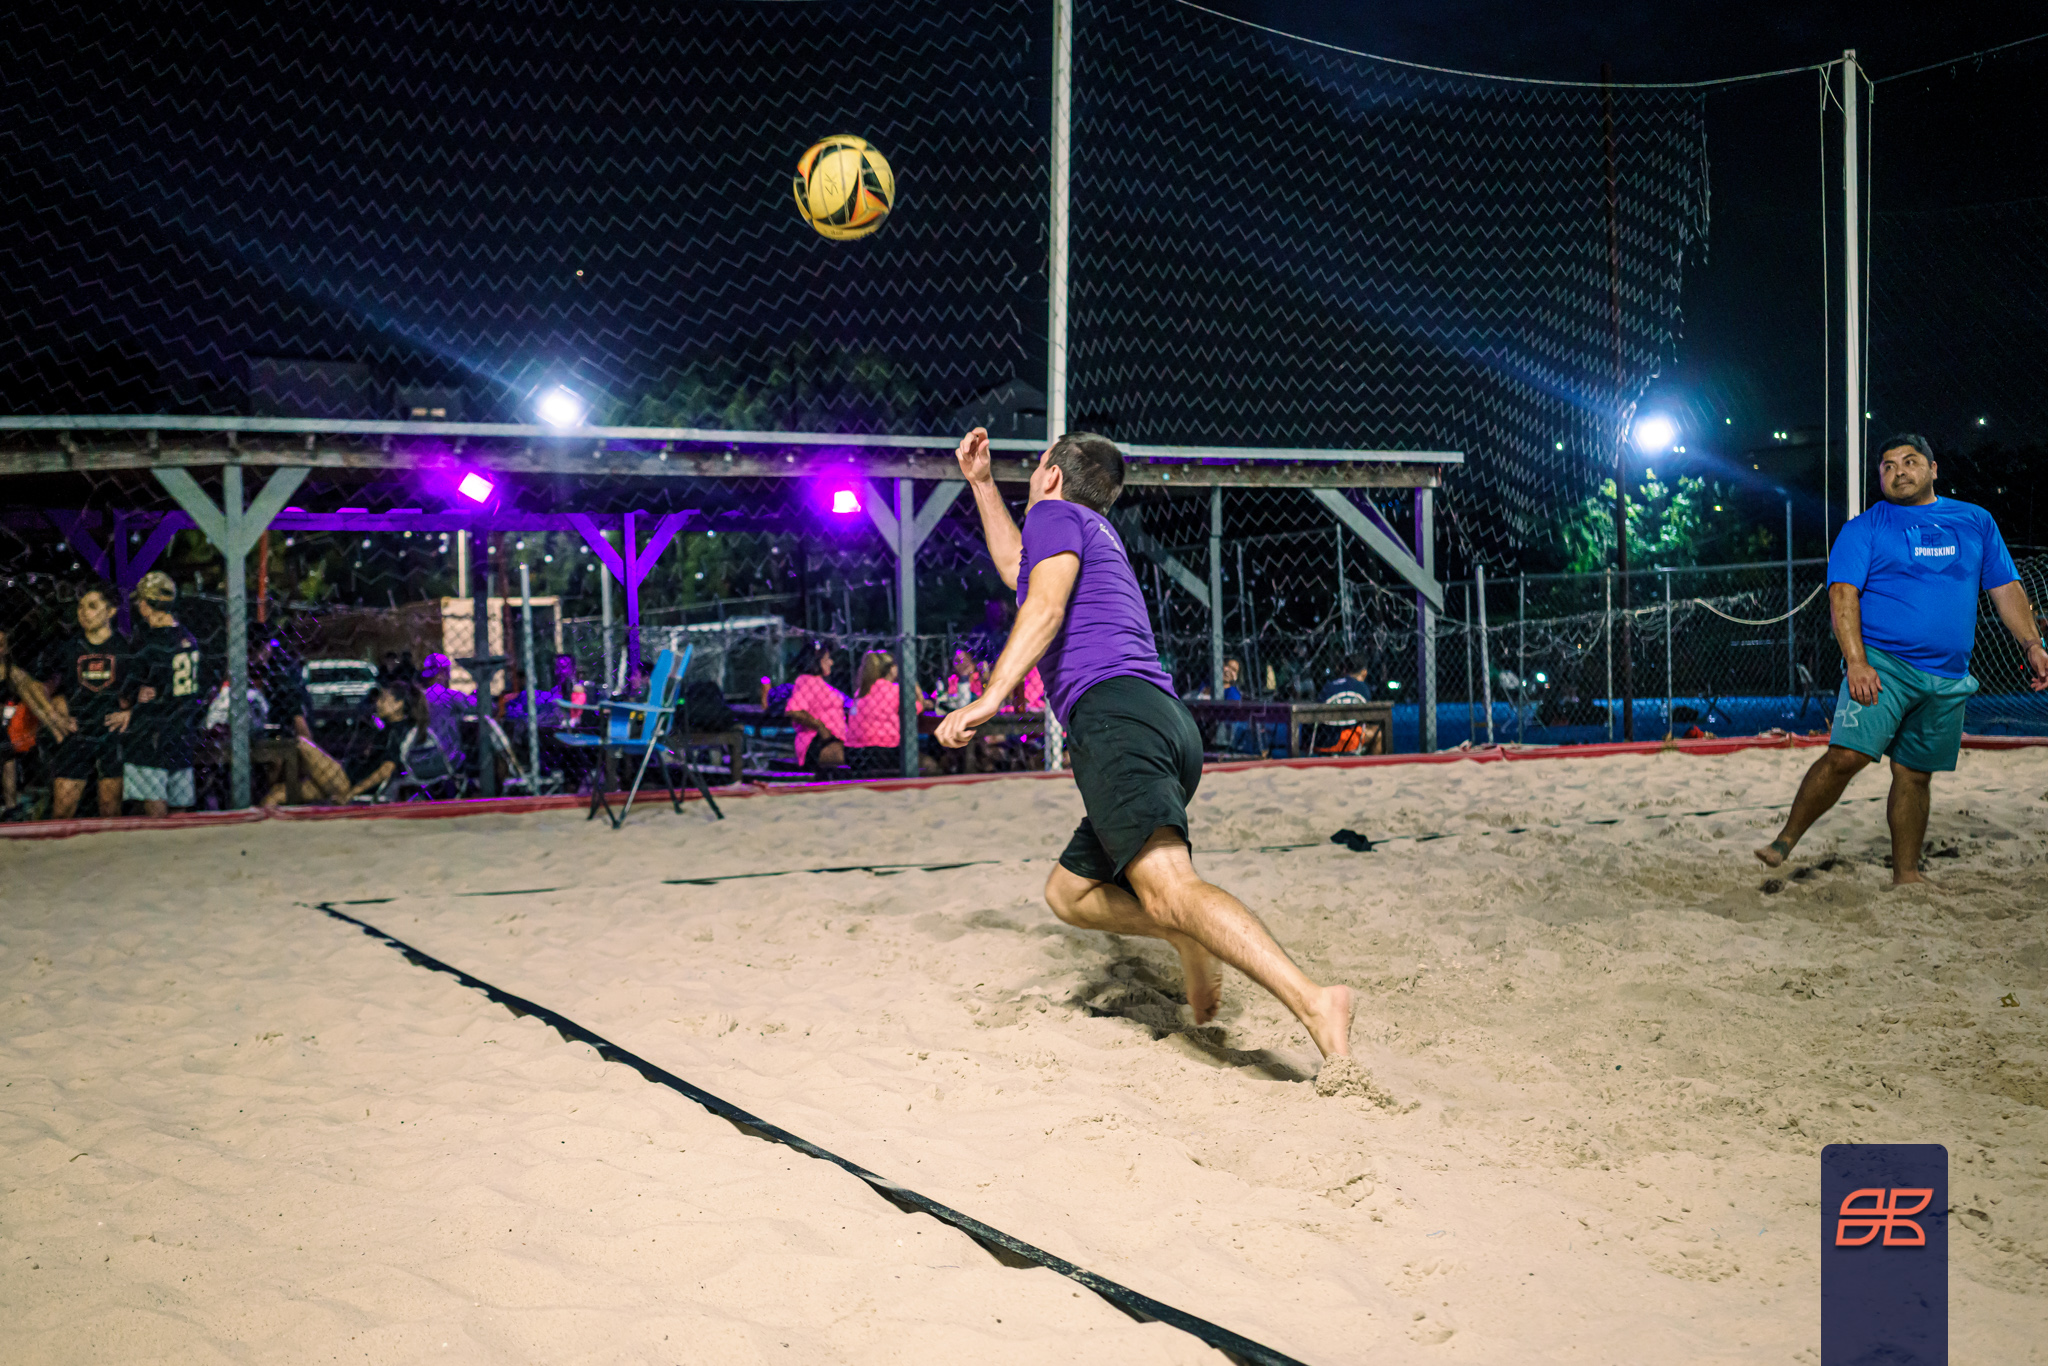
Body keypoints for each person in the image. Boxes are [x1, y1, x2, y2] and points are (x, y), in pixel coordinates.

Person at [939, 427, 1354, 1062]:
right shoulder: (1089, 528)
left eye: (1035, 468)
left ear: (1052, 476)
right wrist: (983, 484)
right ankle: (1186, 937)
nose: (1031, 480)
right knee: (1070, 894)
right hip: (1164, 721)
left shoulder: (1052, 515)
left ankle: (1315, 1000)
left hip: (1116, 719)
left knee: (1172, 889)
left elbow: (1043, 607)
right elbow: (1018, 570)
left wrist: (991, 696)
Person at [1756, 434, 2048, 885]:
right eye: (1888, 466)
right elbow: (1842, 595)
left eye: (1910, 462)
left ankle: (1906, 874)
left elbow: (2005, 588)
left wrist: (2032, 644)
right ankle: (1785, 840)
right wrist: (1857, 662)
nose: (1899, 472)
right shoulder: (1864, 528)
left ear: (1933, 469)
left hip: (1948, 676)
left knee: (1914, 774)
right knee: (1846, 756)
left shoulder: (1975, 521)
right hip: (1883, 665)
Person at [43, 585, 138, 820]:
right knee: (62, 809)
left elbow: (142, 691)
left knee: (110, 809)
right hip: (76, 732)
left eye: (93, 606)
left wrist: (130, 713)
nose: (84, 612)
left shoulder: (126, 650)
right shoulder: (69, 648)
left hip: (111, 733)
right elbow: (50, 688)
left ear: (111, 611)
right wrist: (59, 710)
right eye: (81, 607)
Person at [259, 681, 427, 805]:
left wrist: (351, 794)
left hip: (346, 782)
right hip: (343, 775)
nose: (377, 703)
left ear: (398, 705)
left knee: (301, 743)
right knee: (277, 794)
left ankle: (278, 771)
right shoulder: (388, 728)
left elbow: (386, 770)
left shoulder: (397, 732)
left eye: (384, 699)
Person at [122, 572, 206, 817]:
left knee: (154, 807)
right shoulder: (187, 638)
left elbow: (126, 693)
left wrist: (135, 695)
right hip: (181, 731)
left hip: (151, 733)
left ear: (146, 605)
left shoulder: (149, 642)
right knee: (179, 806)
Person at [0, 626, 70, 818]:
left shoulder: (12, 672)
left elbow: (32, 693)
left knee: (7, 755)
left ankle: (11, 806)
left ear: (6, 649)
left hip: (4, 728)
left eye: (1, 644)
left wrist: (50, 715)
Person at [785, 643, 848, 773]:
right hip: (819, 741)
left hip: (834, 739)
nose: (831, 662)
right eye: (827, 659)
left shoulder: (820, 683)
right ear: (816, 662)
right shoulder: (807, 681)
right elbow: (794, 710)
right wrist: (821, 728)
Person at [844, 650, 904, 776]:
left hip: (854, 751)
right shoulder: (894, 690)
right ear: (892, 669)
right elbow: (915, 709)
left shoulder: (862, 691)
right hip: (884, 749)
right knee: (927, 763)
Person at [1314, 655, 1382, 754]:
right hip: (1348, 740)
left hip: (1322, 741)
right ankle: (1372, 762)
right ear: (1364, 672)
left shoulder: (1329, 686)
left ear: (1345, 670)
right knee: (1377, 733)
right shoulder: (1363, 688)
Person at [418, 652, 474, 767]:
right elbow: (479, 706)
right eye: (447, 672)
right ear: (441, 673)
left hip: (422, 755)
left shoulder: (419, 696)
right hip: (448, 756)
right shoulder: (448, 695)